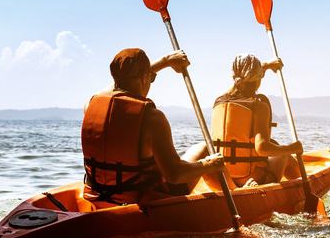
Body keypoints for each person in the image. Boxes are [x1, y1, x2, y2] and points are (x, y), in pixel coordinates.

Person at [80, 47, 225, 204]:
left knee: (201, 148)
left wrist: (166, 61)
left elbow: (113, 86)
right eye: (151, 78)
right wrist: (210, 165)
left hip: (96, 195)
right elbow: (175, 175)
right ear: (145, 77)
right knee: (208, 152)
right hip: (143, 200)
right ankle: (238, 195)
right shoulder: (152, 118)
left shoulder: (90, 105)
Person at [189, 54, 302, 187]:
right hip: (252, 178)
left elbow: (244, 78)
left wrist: (266, 66)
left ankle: (235, 187)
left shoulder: (219, 101)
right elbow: (262, 148)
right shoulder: (258, 106)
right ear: (258, 78)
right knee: (285, 155)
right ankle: (303, 184)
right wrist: (293, 148)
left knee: (280, 150)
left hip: (221, 179)